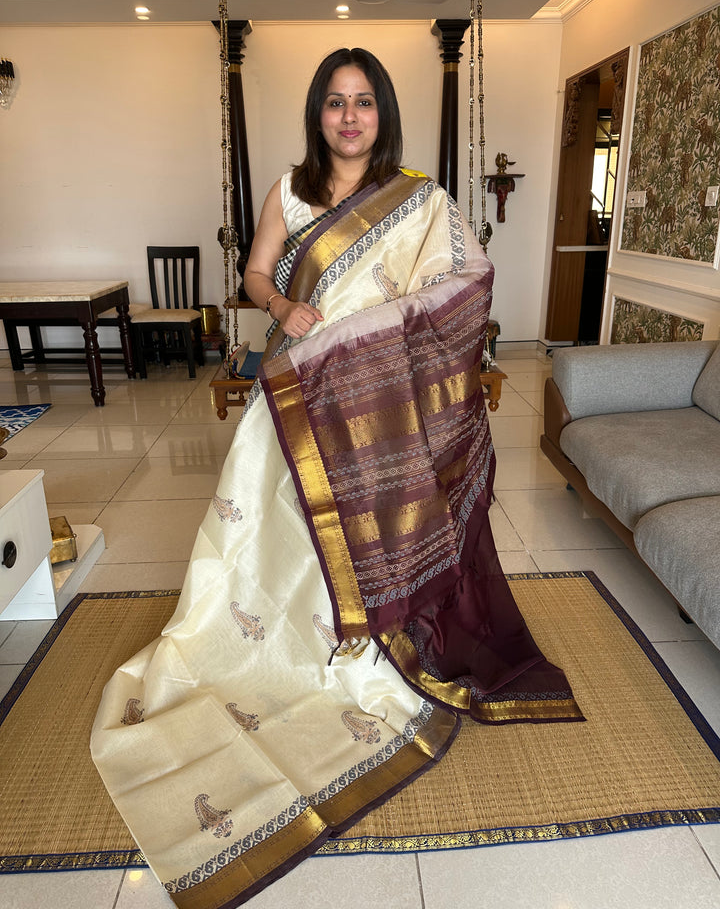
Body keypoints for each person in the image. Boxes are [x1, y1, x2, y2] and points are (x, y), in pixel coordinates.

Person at [92, 48, 582, 909]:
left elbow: (463, 281)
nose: (349, 117)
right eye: (334, 103)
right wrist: (283, 307)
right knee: (266, 538)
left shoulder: (422, 200)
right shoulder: (288, 189)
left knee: (370, 530)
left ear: (382, 113)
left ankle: (364, 641)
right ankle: (270, 647)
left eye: (363, 103)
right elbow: (252, 272)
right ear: (318, 114)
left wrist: (385, 326)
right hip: (297, 394)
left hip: (384, 403)